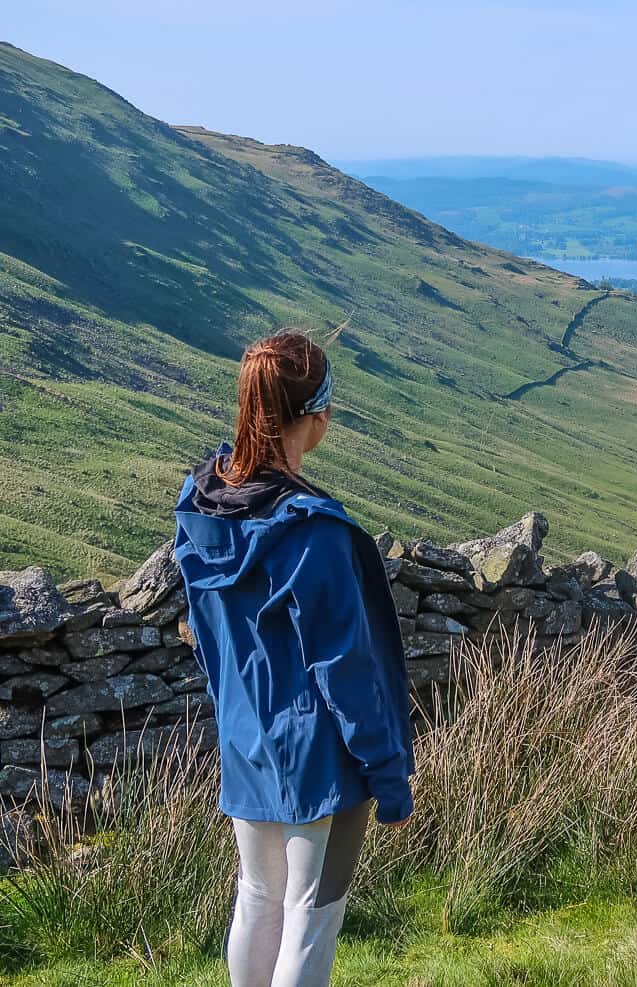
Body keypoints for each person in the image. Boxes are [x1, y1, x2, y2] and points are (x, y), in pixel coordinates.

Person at [173, 331, 414, 987]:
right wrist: (390, 778)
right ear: (316, 415)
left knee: (258, 897)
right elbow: (350, 674)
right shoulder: (314, 533)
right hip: (321, 759)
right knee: (310, 918)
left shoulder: (199, 509)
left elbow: (211, 632)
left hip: (246, 738)